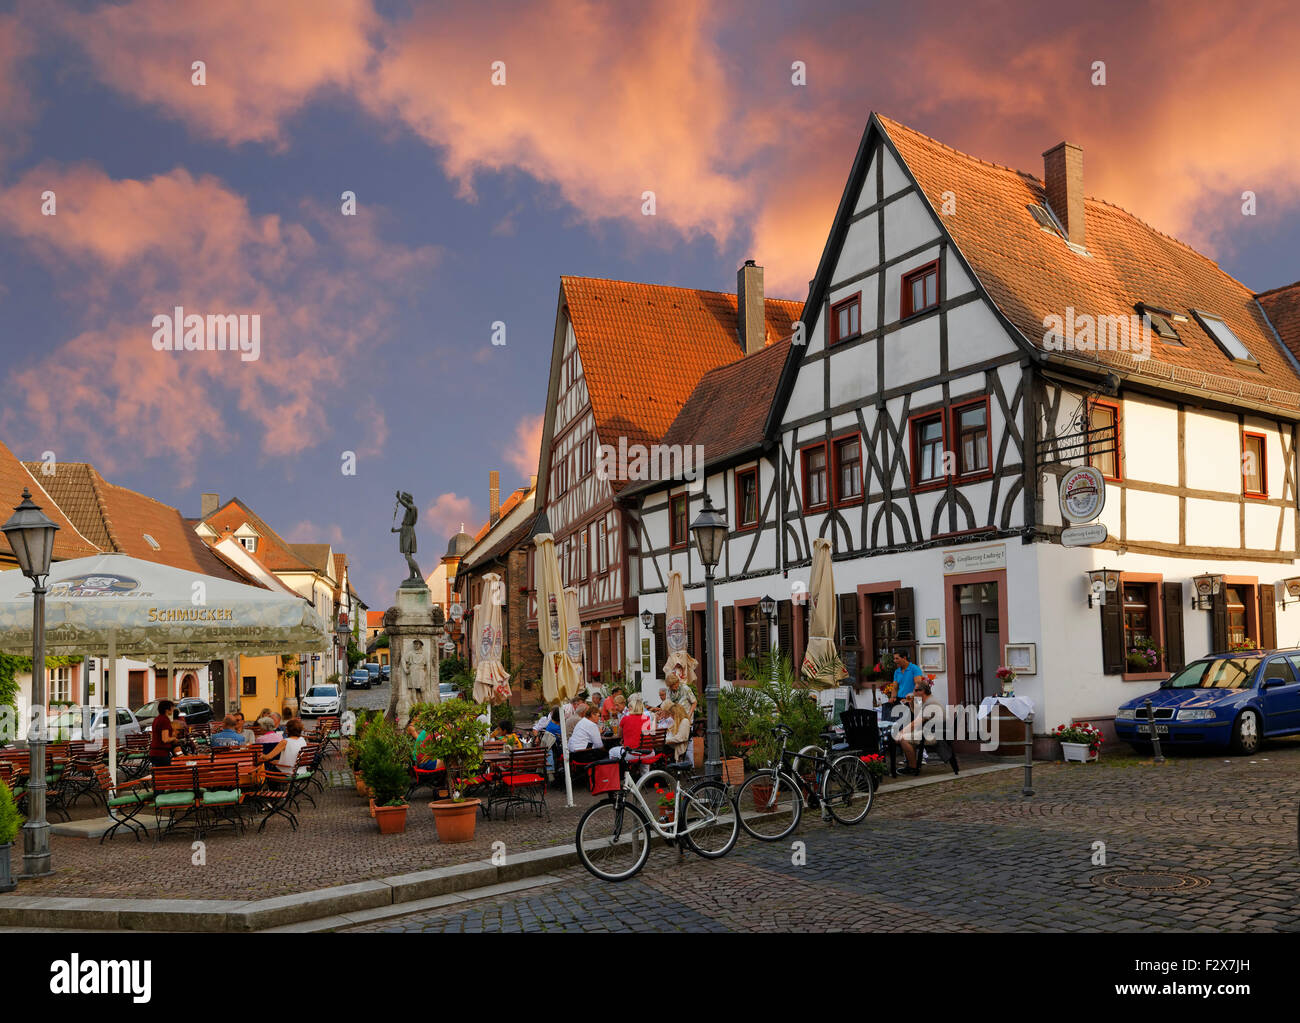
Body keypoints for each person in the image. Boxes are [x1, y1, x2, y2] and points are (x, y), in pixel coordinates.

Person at [894, 679, 955, 775]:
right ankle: (912, 765)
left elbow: (916, 722)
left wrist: (901, 732)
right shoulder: (928, 700)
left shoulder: (931, 703)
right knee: (907, 735)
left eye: (915, 690)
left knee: (903, 739)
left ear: (922, 691)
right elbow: (918, 714)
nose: (913, 692)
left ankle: (912, 768)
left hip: (936, 735)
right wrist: (911, 702)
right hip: (933, 731)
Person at [149, 700, 179, 767]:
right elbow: (165, 739)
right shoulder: (164, 720)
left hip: (154, 753)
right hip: (161, 754)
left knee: (158, 775)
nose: (173, 709)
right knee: (166, 775)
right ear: (167, 709)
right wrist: (174, 738)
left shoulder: (157, 719)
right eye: (172, 707)